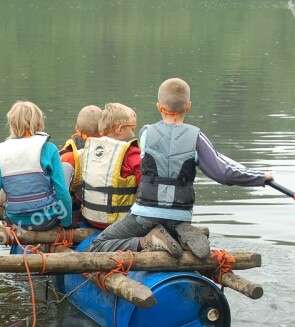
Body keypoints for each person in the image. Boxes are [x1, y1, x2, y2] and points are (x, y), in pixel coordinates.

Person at [89, 78, 274, 259]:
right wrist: (259, 177)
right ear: (188, 106)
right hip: (180, 214)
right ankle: (179, 232)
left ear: (159, 106)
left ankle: (147, 241)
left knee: (98, 245)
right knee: (174, 221)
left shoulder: (145, 133)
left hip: (145, 215)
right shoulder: (196, 137)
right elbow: (223, 173)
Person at [0, 101, 72, 238]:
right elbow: (62, 191)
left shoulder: (3, 151)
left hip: (16, 221)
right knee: (66, 168)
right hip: (46, 220)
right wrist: (66, 223)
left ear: (12, 124)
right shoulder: (49, 148)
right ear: (38, 122)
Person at [77, 103, 142, 229]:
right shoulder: (131, 153)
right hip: (117, 222)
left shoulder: (89, 148)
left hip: (90, 219)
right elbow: (147, 187)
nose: (133, 134)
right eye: (132, 129)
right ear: (120, 129)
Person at [59, 105, 101, 221]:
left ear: (77, 129)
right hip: (106, 214)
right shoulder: (114, 152)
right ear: (104, 128)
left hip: (78, 214)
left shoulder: (67, 158)